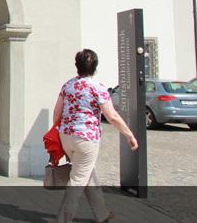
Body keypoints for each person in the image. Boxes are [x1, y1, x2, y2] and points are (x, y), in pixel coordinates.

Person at [53, 49, 138, 223]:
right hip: (86, 139)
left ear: (77, 66)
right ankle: (62, 220)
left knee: (86, 174)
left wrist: (58, 129)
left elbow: (57, 112)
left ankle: (102, 215)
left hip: (66, 135)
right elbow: (112, 116)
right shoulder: (97, 87)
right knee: (77, 180)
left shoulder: (68, 85)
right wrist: (129, 134)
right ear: (95, 66)